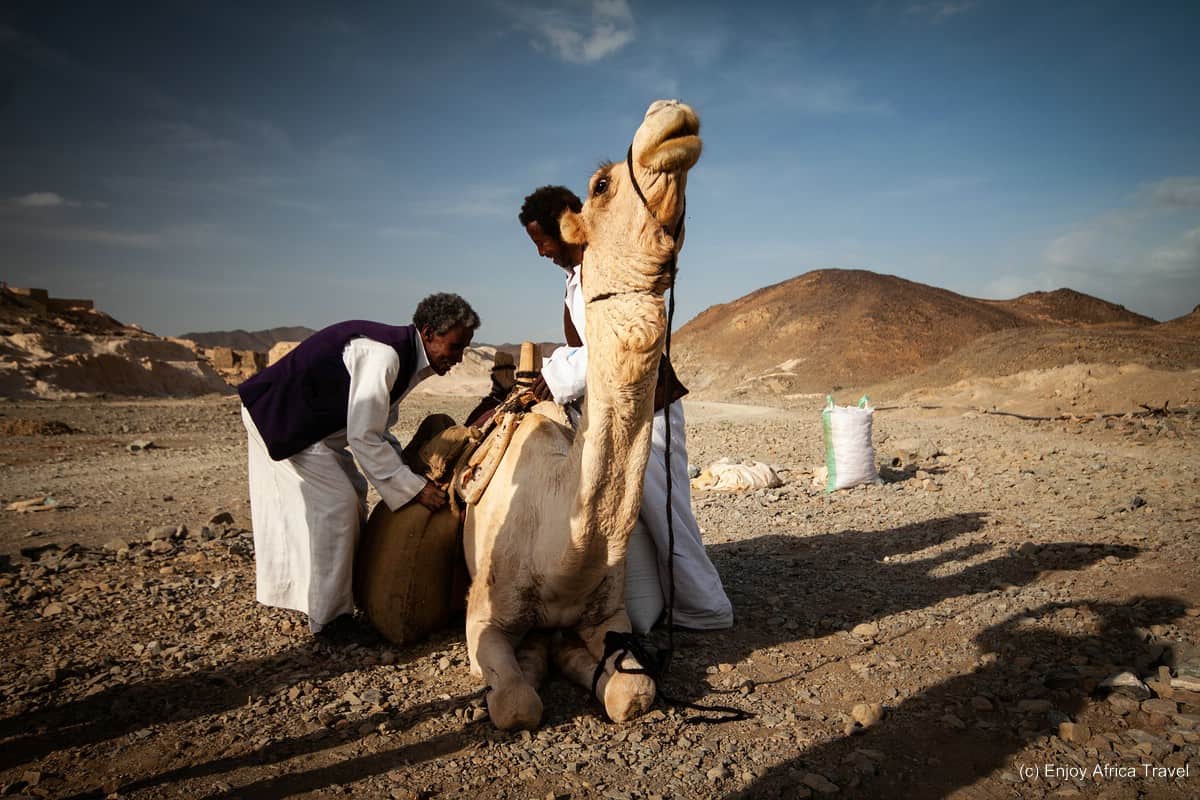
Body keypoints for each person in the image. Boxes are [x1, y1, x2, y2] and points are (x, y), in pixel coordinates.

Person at [519, 186, 733, 631]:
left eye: (542, 241)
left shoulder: (608, 269)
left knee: (665, 510)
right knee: (626, 508)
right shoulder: (577, 276)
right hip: (614, 410)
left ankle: (704, 607)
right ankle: (653, 601)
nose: (540, 252)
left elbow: (614, 344)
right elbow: (584, 347)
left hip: (648, 408)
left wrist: (555, 377)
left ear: (565, 227)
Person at [237, 293, 480, 634]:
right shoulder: (383, 356)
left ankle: (336, 601)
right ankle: (328, 621)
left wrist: (406, 472)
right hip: (283, 419)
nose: (458, 358)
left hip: (315, 429)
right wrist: (413, 489)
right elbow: (364, 436)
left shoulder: (404, 357)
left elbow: (379, 427)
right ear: (428, 332)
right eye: (455, 347)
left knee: (352, 494)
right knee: (338, 506)